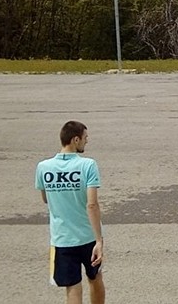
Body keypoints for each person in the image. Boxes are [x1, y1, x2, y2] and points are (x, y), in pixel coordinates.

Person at [35, 121, 105, 304]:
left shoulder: (43, 167)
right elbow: (92, 205)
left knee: (72, 287)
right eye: (85, 137)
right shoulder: (88, 165)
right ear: (75, 140)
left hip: (62, 239)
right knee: (95, 278)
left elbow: (45, 198)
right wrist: (99, 240)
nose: (87, 141)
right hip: (88, 236)